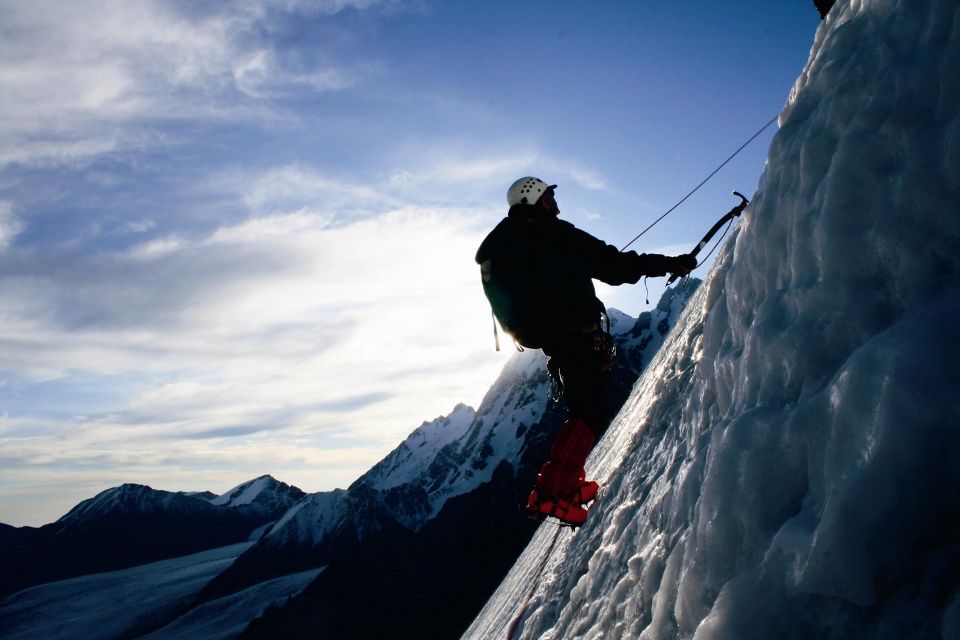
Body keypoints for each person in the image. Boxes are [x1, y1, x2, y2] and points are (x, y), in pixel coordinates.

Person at [476, 177, 697, 526]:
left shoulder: (507, 243)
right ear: (537, 201)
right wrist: (669, 263)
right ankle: (557, 492)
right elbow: (615, 266)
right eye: (549, 196)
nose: (554, 201)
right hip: (577, 334)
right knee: (588, 412)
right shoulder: (554, 235)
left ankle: (553, 486)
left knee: (582, 409)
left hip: (553, 338)